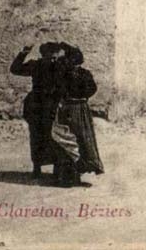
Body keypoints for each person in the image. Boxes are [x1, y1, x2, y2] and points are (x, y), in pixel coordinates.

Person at [51, 44, 104, 187]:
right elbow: (92, 89)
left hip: (66, 108)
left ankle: (64, 177)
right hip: (81, 109)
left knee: (66, 140)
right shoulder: (85, 74)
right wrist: (81, 96)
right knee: (82, 139)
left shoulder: (62, 73)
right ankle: (75, 175)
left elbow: (57, 89)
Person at [10, 41, 65, 178]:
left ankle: (49, 168)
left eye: (55, 56)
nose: (53, 59)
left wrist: (25, 51)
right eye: (50, 56)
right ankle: (41, 168)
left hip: (46, 104)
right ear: (44, 55)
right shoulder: (39, 65)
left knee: (49, 136)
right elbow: (15, 69)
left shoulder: (55, 65)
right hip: (40, 104)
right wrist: (24, 52)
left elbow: (15, 69)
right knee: (41, 136)